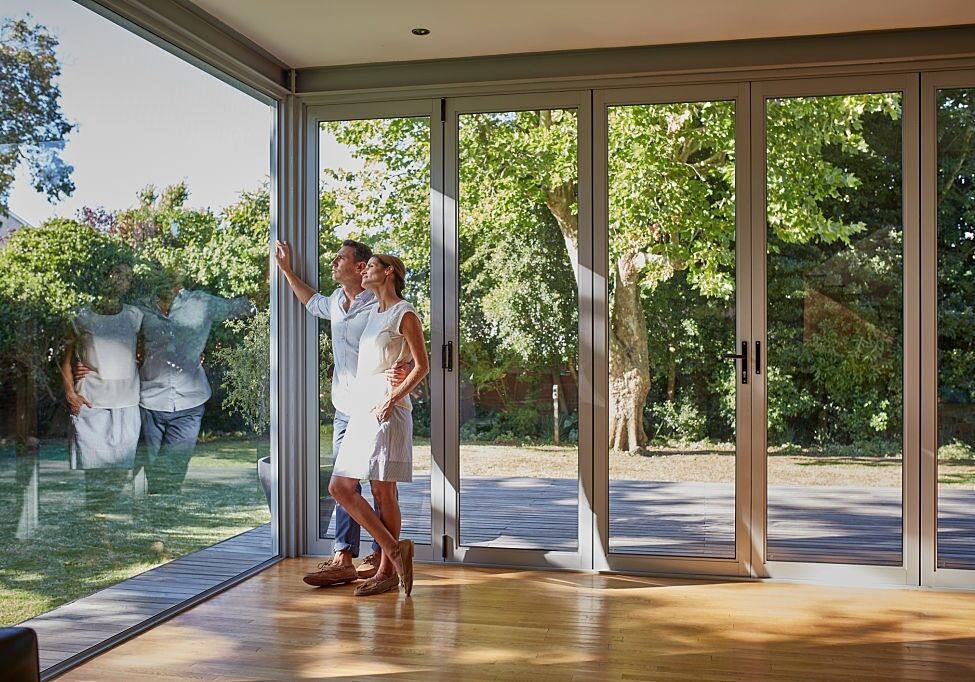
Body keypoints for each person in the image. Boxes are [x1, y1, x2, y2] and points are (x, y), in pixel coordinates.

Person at [275, 239, 406, 587]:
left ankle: (384, 558)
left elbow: (398, 337)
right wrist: (287, 270)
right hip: (344, 408)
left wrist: (401, 368)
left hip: (374, 406)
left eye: (341, 259)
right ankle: (343, 557)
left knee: (379, 486)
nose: (333, 263)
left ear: (361, 267)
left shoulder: (377, 305)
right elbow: (309, 299)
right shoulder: (334, 302)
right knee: (345, 484)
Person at [327, 254, 429, 596]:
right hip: (363, 409)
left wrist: (392, 394)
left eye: (370, 266)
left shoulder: (405, 312)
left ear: (389, 272)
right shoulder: (372, 312)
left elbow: (422, 365)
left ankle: (386, 571)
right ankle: (395, 550)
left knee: (383, 491)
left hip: (388, 410)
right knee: (341, 487)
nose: (365, 270)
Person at [61, 262, 143, 512]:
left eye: (127, 277)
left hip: (126, 403)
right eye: (117, 274)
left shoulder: (134, 316)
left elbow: (143, 353)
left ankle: (109, 531)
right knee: (95, 480)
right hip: (91, 403)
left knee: (120, 478)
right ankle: (98, 531)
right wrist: (70, 394)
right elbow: (64, 359)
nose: (121, 281)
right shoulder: (81, 316)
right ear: (104, 276)